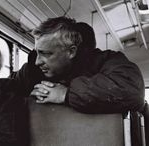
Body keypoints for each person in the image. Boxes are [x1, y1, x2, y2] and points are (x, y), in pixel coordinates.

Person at [11, 16, 145, 114]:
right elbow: (6, 89)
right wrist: (27, 98)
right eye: (37, 53)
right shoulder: (32, 70)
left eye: (46, 54)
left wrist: (66, 94)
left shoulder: (106, 61)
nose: (37, 61)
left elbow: (132, 91)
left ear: (71, 51)